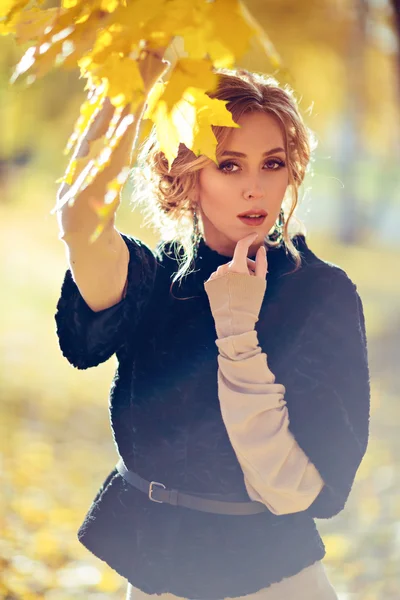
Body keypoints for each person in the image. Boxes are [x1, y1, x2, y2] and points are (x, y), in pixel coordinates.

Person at [54, 68, 370, 600]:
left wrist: (237, 331)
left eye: (273, 163)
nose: (256, 186)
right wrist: (127, 87)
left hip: (273, 581)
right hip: (156, 577)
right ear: (187, 174)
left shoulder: (321, 293)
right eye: (229, 165)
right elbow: (78, 214)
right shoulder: (152, 278)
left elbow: (297, 489)